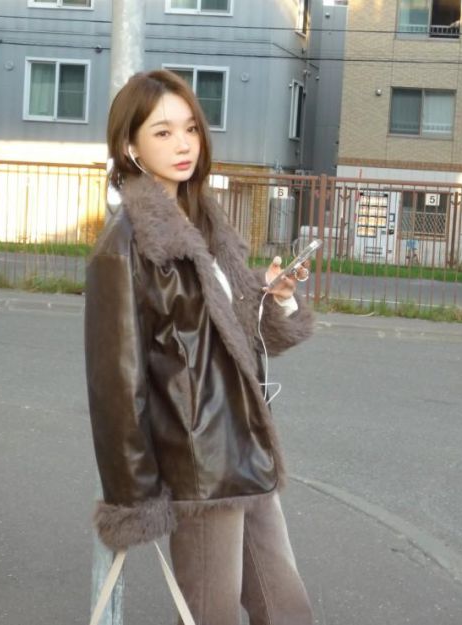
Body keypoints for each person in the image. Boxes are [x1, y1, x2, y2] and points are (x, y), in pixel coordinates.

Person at [85, 69, 314, 625]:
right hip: (199, 466)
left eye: (190, 127)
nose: (184, 143)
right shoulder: (126, 246)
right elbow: (117, 386)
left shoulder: (205, 223)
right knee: (213, 615)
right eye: (162, 132)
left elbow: (229, 337)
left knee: (288, 610)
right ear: (130, 146)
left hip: (246, 452)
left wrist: (273, 298)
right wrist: (135, 499)